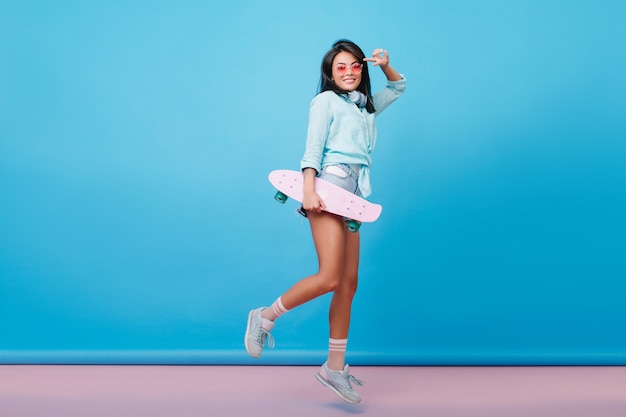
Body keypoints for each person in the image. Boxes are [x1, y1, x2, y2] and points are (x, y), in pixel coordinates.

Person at [245, 39, 406, 404]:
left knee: (348, 285)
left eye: (355, 66)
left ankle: (334, 369)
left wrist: (383, 65)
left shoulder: (364, 107)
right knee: (330, 276)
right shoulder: (325, 102)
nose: (349, 72)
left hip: (353, 198)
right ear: (330, 74)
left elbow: (398, 87)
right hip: (327, 188)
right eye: (341, 67)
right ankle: (265, 317)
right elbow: (312, 147)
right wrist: (308, 191)